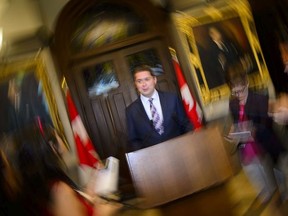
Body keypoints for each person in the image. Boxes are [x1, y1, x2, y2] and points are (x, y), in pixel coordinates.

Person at [2, 122, 121, 216]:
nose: (62, 140)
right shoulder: (59, 191)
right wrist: (104, 213)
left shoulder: (37, 189)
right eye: (58, 135)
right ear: (52, 147)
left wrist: (88, 193)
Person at [225, 61, 287, 204]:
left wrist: (253, 130)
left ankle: (281, 193)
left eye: (240, 90)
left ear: (246, 83)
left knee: (278, 173)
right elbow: (235, 122)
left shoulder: (260, 99)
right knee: (253, 171)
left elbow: (267, 125)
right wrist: (233, 130)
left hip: (265, 143)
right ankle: (267, 195)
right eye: (234, 91)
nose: (238, 94)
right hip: (246, 145)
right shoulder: (232, 103)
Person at [125, 65, 193, 152]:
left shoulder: (172, 99)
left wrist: (190, 146)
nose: (144, 84)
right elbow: (134, 140)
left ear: (154, 80)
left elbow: (186, 124)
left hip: (180, 151)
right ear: (135, 84)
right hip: (153, 159)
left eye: (147, 79)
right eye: (139, 81)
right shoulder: (131, 111)